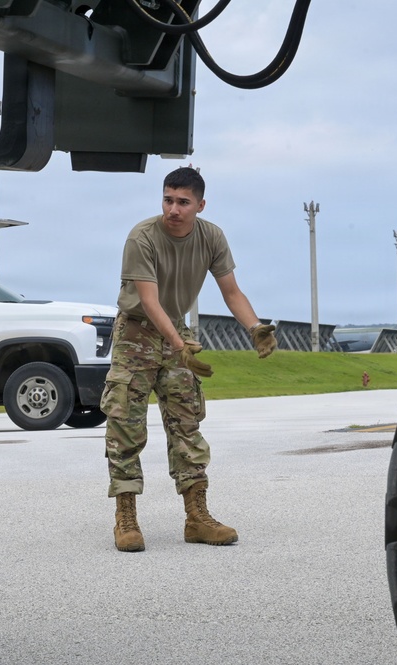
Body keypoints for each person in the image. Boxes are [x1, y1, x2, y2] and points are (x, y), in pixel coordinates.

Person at [101, 166, 277, 552]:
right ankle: (126, 518)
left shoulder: (211, 236)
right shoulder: (142, 237)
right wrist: (179, 343)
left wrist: (255, 328)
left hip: (176, 331)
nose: (173, 209)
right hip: (135, 333)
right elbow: (149, 300)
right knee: (126, 425)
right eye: (168, 199)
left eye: (183, 202)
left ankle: (197, 518)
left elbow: (231, 292)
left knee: (187, 424)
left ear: (200, 204)